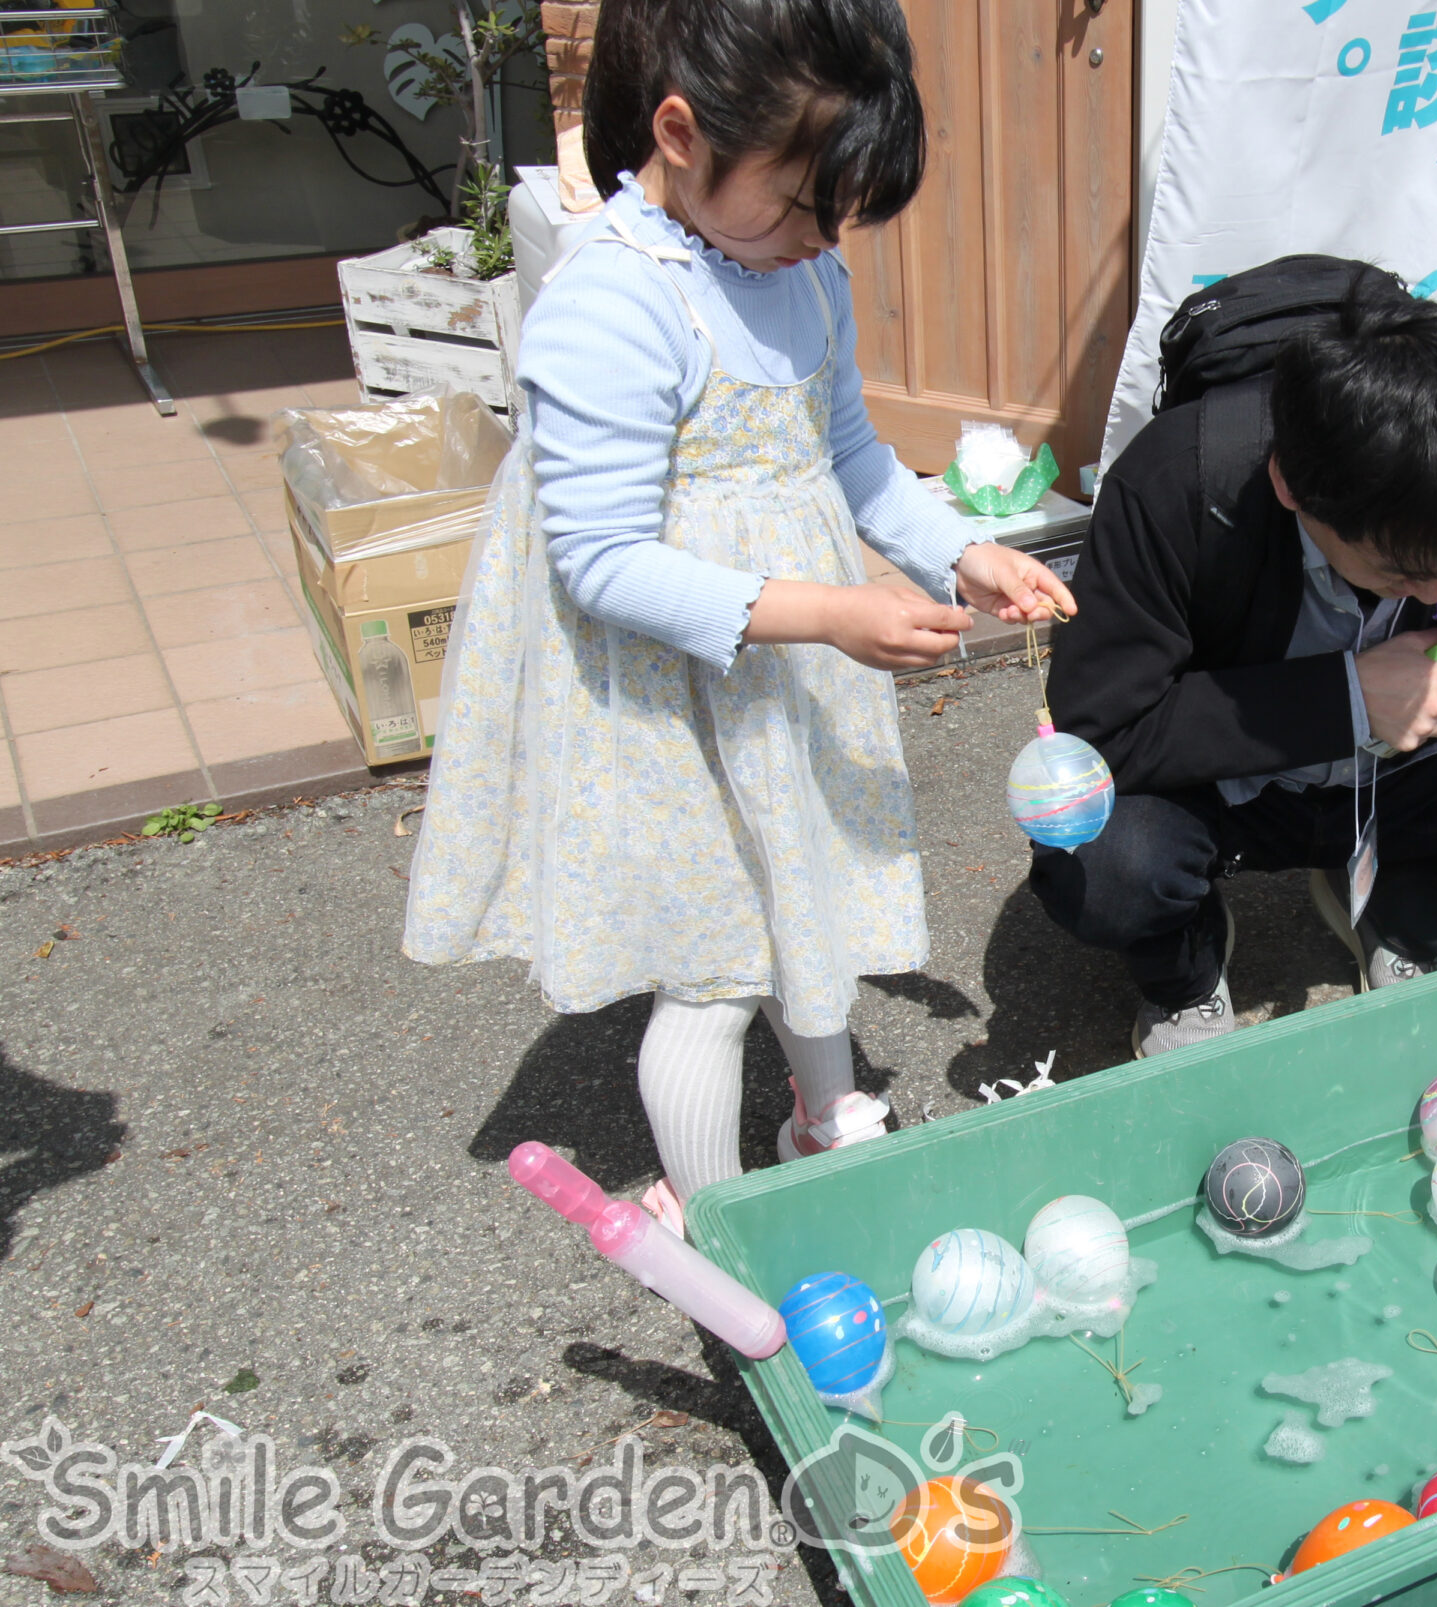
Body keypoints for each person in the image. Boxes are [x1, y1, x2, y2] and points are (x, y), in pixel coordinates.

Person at [402, 0, 1072, 1234]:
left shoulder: (800, 267)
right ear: (681, 130)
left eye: (838, 215)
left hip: (789, 657)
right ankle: (716, 1218)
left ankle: (827, 1112)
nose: (820, 238)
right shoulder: (614, 300)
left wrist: (959, 552)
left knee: (798, 886)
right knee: (713, 961)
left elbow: (853, 456)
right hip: (660, 686)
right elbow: (601, 559)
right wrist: (829, 611)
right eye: (800, 203)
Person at [1034, 286, 1437, 1056]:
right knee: (1098, 862)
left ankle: (1399, 909)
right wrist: (1345, 696)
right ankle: (1186, 970)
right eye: (1401, 572)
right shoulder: (1179, 479)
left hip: (1419, 768)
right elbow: (1100, 725)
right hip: (1233, 789)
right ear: (1289, 486)